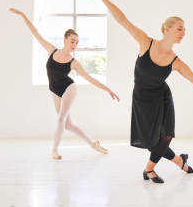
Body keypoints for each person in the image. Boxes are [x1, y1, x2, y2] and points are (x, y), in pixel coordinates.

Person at [81, 0, 193, 183]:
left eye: (184, 29)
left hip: (162, 98)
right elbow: (122, 20)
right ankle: (180, 161)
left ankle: (149, 170)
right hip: (141, 98)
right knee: (151, 142)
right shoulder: (145, 42)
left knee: (165, 136)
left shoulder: (175, 61)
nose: (184, 32)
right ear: (167, 29)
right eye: (180, 28)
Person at [9, 8, 119, 160]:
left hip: (69, 88)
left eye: (77, 42)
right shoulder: (51, 50)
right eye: (72, 41)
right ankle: (93, 144)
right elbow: (36, 33)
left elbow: (90, 78)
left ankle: (54, 150)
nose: (75, 44)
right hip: (55, 91)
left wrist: (108, 90)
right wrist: (23, 16)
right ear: (65, 40)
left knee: (60, 119)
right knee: (67, 125)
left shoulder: (74, 63)